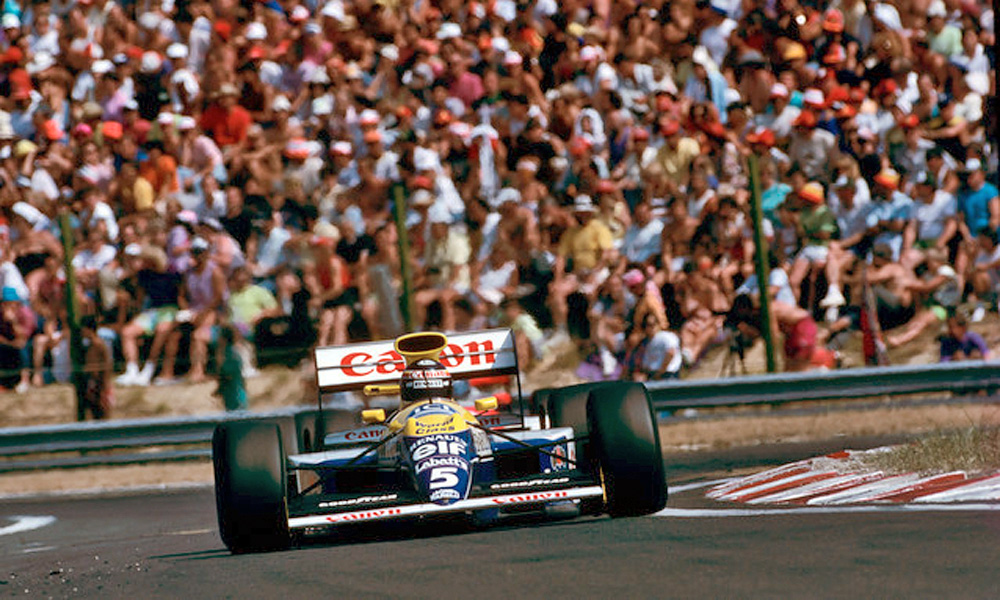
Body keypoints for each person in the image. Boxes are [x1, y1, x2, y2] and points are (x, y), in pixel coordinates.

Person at [629, 314, 682, 381]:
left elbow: (671, 352)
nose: (651, 328)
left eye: (653, 324)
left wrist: (660, 372)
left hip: (667, 375)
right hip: (652, 375)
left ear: (658, 324)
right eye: (647, 325)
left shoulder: (666, 336)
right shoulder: (647, 342)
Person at [80, 315, 113, 420]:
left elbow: (100, 367)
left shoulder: (97, 344)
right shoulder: (93, 344)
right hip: (97, 384)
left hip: (100, 385)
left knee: (102, 414)